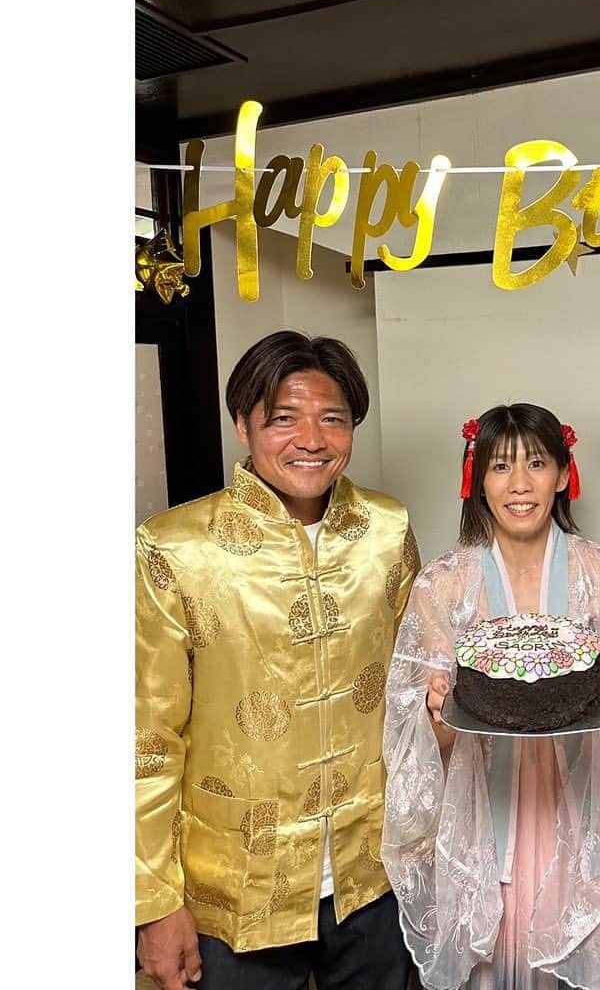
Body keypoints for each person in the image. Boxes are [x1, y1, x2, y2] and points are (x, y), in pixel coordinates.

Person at [135, 330, 418, 990]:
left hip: (375, 872)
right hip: (234, 886)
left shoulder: (388, 529)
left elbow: (413, 689)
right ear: (244, 425)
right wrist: (153, 904)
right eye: (284, 418)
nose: (311, 440)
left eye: (332, 419)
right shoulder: (174, 547)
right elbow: (146, 738)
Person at [381, 404, 600, 990]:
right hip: (481, 819)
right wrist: (436, 713)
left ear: (564, 474)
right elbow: (413, 734)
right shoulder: (443, 585)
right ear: (476, 480)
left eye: (537, 464)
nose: (519, 484)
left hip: (583, 818)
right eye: (500, 467)